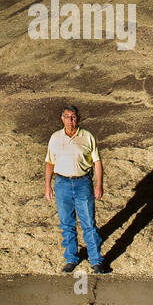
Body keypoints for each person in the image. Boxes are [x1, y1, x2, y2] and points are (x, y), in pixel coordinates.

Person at [44, 105, 109, 273]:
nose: (70, 120)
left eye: (73, 117)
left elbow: (97, 162)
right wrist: (47, 186)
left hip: (83, 184)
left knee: (89, 223)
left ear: (78, 119)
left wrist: (99, 185)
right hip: (62, 184)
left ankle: (96, 260)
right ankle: (71, 258)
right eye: (67, 117)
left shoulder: (87, 137)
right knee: (67, 223)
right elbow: (49, 162)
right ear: (62, 118)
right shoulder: (55, 138)